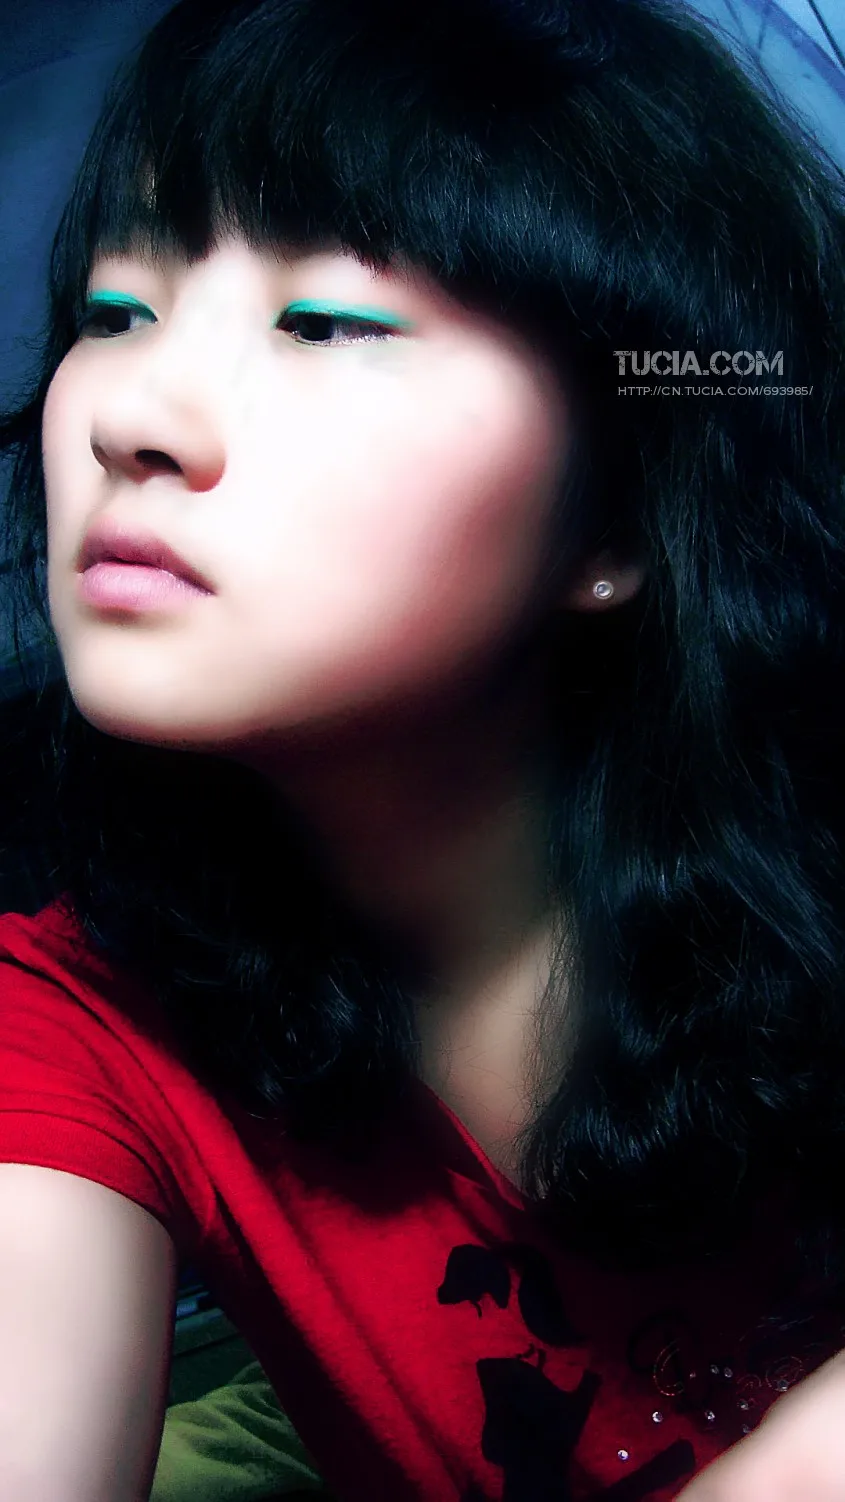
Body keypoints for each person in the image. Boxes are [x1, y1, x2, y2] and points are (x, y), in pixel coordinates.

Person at [1, 0, 844, 1497]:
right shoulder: (71, 1020)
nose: (130, 411)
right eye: (116, 310)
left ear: (618, 515)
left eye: (329, 322)